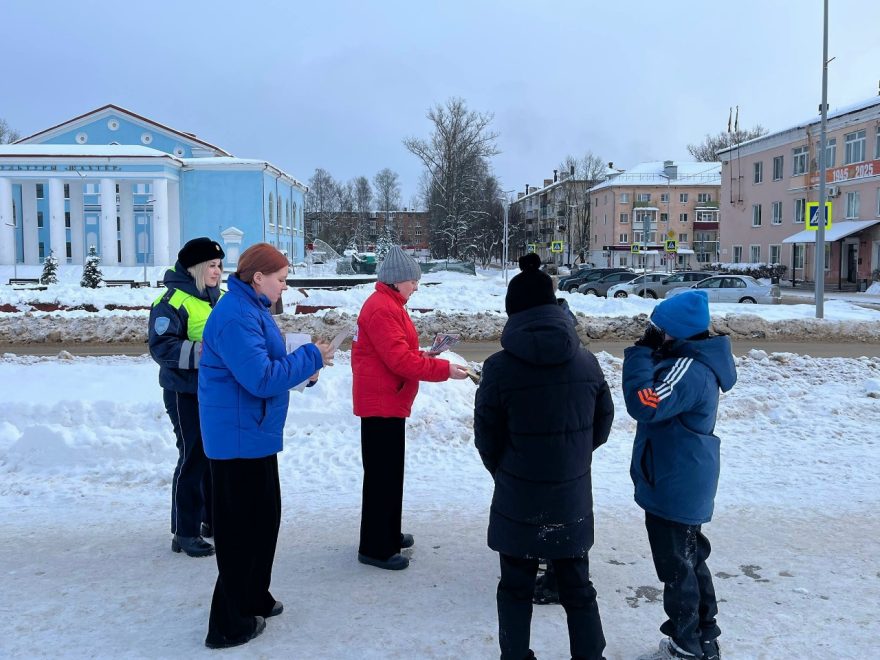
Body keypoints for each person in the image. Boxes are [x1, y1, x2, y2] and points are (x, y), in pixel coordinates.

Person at [474, 252, 614, 660]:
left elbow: (486, 436)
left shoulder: (498, 368)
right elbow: (602, 423)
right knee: (578, 588)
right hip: (570, 493)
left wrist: (505, 470)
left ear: (512, 312)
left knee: (514, 587)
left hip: (518, 494)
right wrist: (572, 458)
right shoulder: (587, 362)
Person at [198, 242, 334, 649]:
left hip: (252, 435)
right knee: (241, 532)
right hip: (238, 440)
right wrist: (310, 357)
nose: (284, 287)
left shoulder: (252, 309)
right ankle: (227, 623)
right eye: (281, 279)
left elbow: (270, 367)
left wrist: (305, 369)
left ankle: (253, 596)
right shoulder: (236, 316)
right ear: (258, 277)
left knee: (263, 522)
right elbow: (259, 379)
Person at [622, 290, 737, 660]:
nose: (652, 331)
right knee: (689, 559)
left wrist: (640, 353)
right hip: (679, 476)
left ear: (676, 332)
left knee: (677, 567)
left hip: (675, 483)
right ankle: (704, 636)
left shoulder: (690, 370)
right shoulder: (688, 360)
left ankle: (685, 644)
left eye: (657, 327)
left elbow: (645, 403)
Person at [352, 245, 469, 571]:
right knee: (382, 477)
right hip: (381, 404)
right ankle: (375, 547)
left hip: (389, 401)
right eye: (413, 281)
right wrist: (443, 369)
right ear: (397, 280)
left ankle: (387, 532)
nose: (416, 286)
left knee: (389, 474)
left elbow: (400, 352)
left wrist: (425, 356)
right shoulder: (382, 309)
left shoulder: (391, 304)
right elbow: (400, 361)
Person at [149, 236, 225, 558]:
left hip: (211, 391)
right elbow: (161, 347)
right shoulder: (171, 301)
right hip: (183, 392)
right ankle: (184, 531)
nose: (218, 271)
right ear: (195, 267)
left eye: (220, 265)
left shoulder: (218, 298)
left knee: (212, 456)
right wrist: (204, 353)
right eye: (211, 265)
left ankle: (210, 520)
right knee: (193, 456)